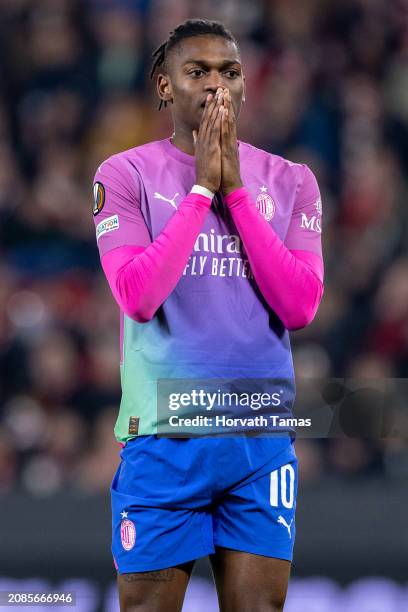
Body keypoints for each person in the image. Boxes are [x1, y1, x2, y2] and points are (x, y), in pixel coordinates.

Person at [92, 18, 324, 612]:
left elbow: (299, 306)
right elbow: (138, 296)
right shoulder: (124, 175)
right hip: (167, 440)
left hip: (260, 441)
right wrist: (200, 194)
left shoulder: (292, 180)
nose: (217, 85)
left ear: (246, 85)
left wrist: (236, 194)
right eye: (198, 72)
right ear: (164, 86)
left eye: (230, 72)